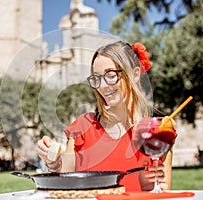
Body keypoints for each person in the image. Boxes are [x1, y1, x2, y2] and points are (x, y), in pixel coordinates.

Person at [37, 41, 176, 191]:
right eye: (97, 78)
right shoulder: (83, 127)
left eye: (111, 75)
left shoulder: (158, 132)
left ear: (135, 74)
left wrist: (155, 187)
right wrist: (53, 162)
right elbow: (65, 182)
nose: (103, 86)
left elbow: (162, 191)